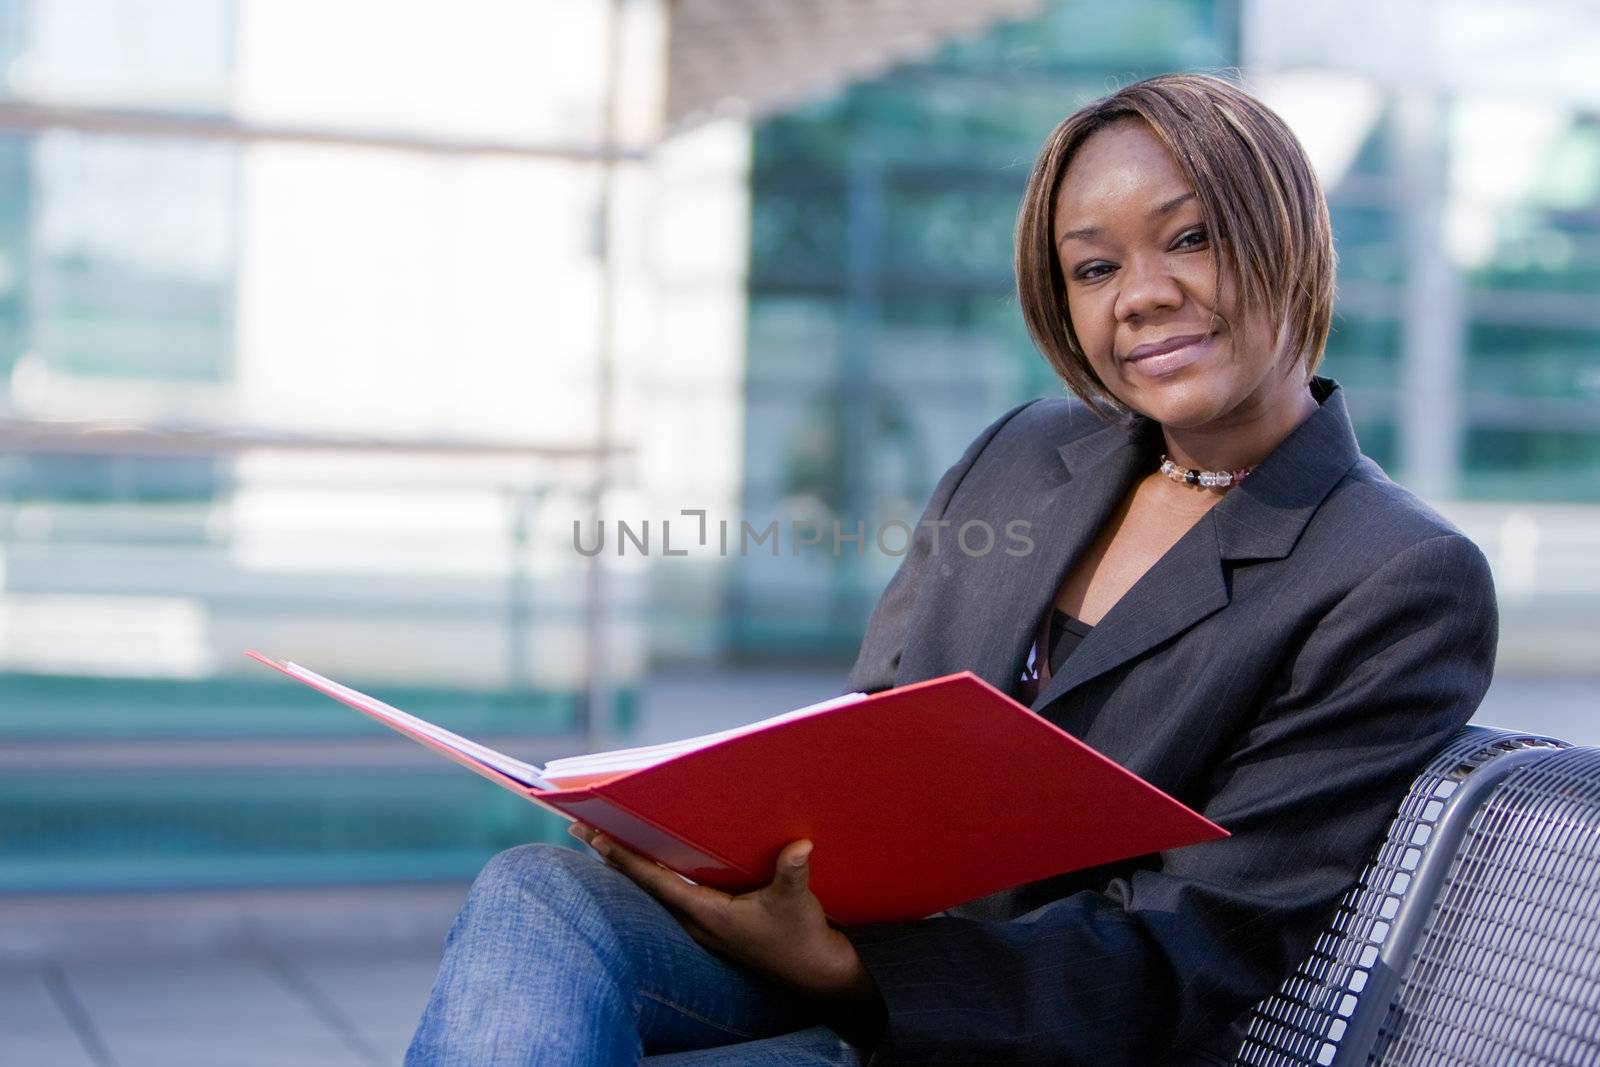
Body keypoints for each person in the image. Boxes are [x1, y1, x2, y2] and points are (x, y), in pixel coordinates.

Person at [404, 71, 1499, 1066]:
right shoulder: (1024, 454)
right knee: (540, 892)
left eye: (1193, 238)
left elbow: (1198, 942)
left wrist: (845, 971)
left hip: (1018, 1029)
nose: (1142, 293)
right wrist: (703, 838)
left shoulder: (1395, 575)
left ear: (1291, 237)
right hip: (839, 953)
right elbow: (869, 730)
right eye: (1095, 265)